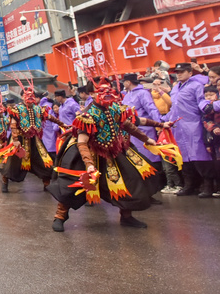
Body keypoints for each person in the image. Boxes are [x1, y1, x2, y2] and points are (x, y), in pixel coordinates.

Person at [48, 81, 168, 231]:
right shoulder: (87, 115)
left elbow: (129, 125)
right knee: (73, 185)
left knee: (130, 180)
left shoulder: (116, 109)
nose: (107, 95)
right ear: (92, 94)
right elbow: (82, 142)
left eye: (108, 91)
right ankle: (60, 216)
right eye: (101, 92)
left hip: (113, 150)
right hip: (88, 152)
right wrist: (89, 164)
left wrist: (149, 137)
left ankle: (126, 216)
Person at [165, 63, 211, 196]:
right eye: (177, 71)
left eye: (182, 71)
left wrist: (208, 107)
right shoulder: (175, 88)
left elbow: (201, 101)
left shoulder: (196, 86)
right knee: (183, 157)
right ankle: (189, 185)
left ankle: (207, 186)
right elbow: (173, 108)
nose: (179, 74)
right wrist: (164, 120)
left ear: (190, 73)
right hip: (178, 127)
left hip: (193, 124)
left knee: (199, 155)